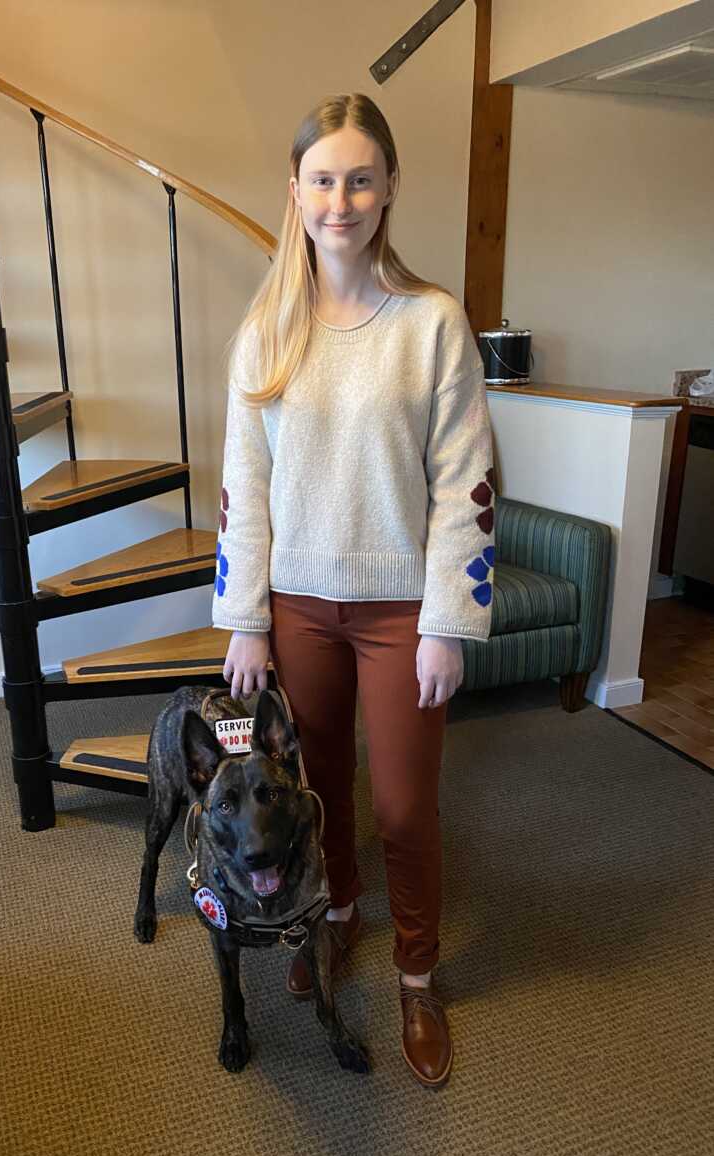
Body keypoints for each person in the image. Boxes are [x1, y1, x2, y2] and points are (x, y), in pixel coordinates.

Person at [211, 92, 495, 1088]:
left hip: (400, 614)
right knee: (317, 795)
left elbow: (467, 488)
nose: (341, 199)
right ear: (296, 194)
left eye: (360, 178)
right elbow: (244, 493)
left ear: (389, 189)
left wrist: (449, 623)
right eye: (322, 180)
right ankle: (338, 919)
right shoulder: (265, 332)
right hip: (296, 611)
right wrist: (244, 618)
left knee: (406, 811)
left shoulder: (432, 325)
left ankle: (417, 975)